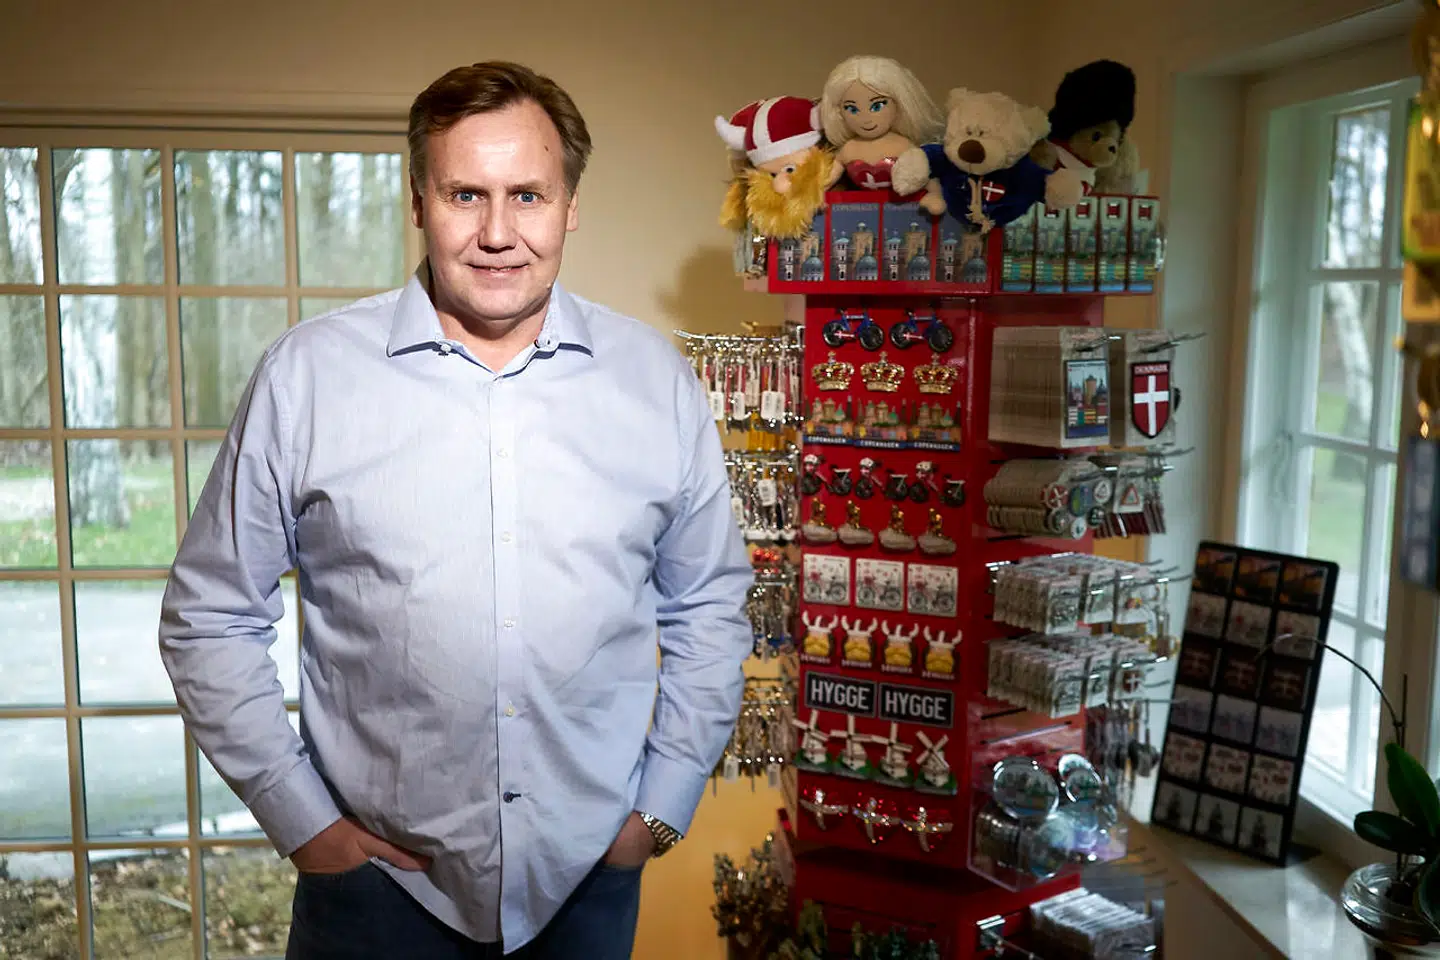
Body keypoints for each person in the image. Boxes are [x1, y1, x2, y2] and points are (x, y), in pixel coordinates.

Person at [159, 60, 754, 960]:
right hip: (374, 899)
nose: (498, 234)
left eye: (528, 196)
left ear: (570, 205)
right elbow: (208, 617)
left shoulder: (655, 383)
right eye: (465, 194)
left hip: (587, 890)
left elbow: (709, 607)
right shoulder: (306, 378)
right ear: (418, 201)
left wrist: (659, 809)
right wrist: (306, 826)